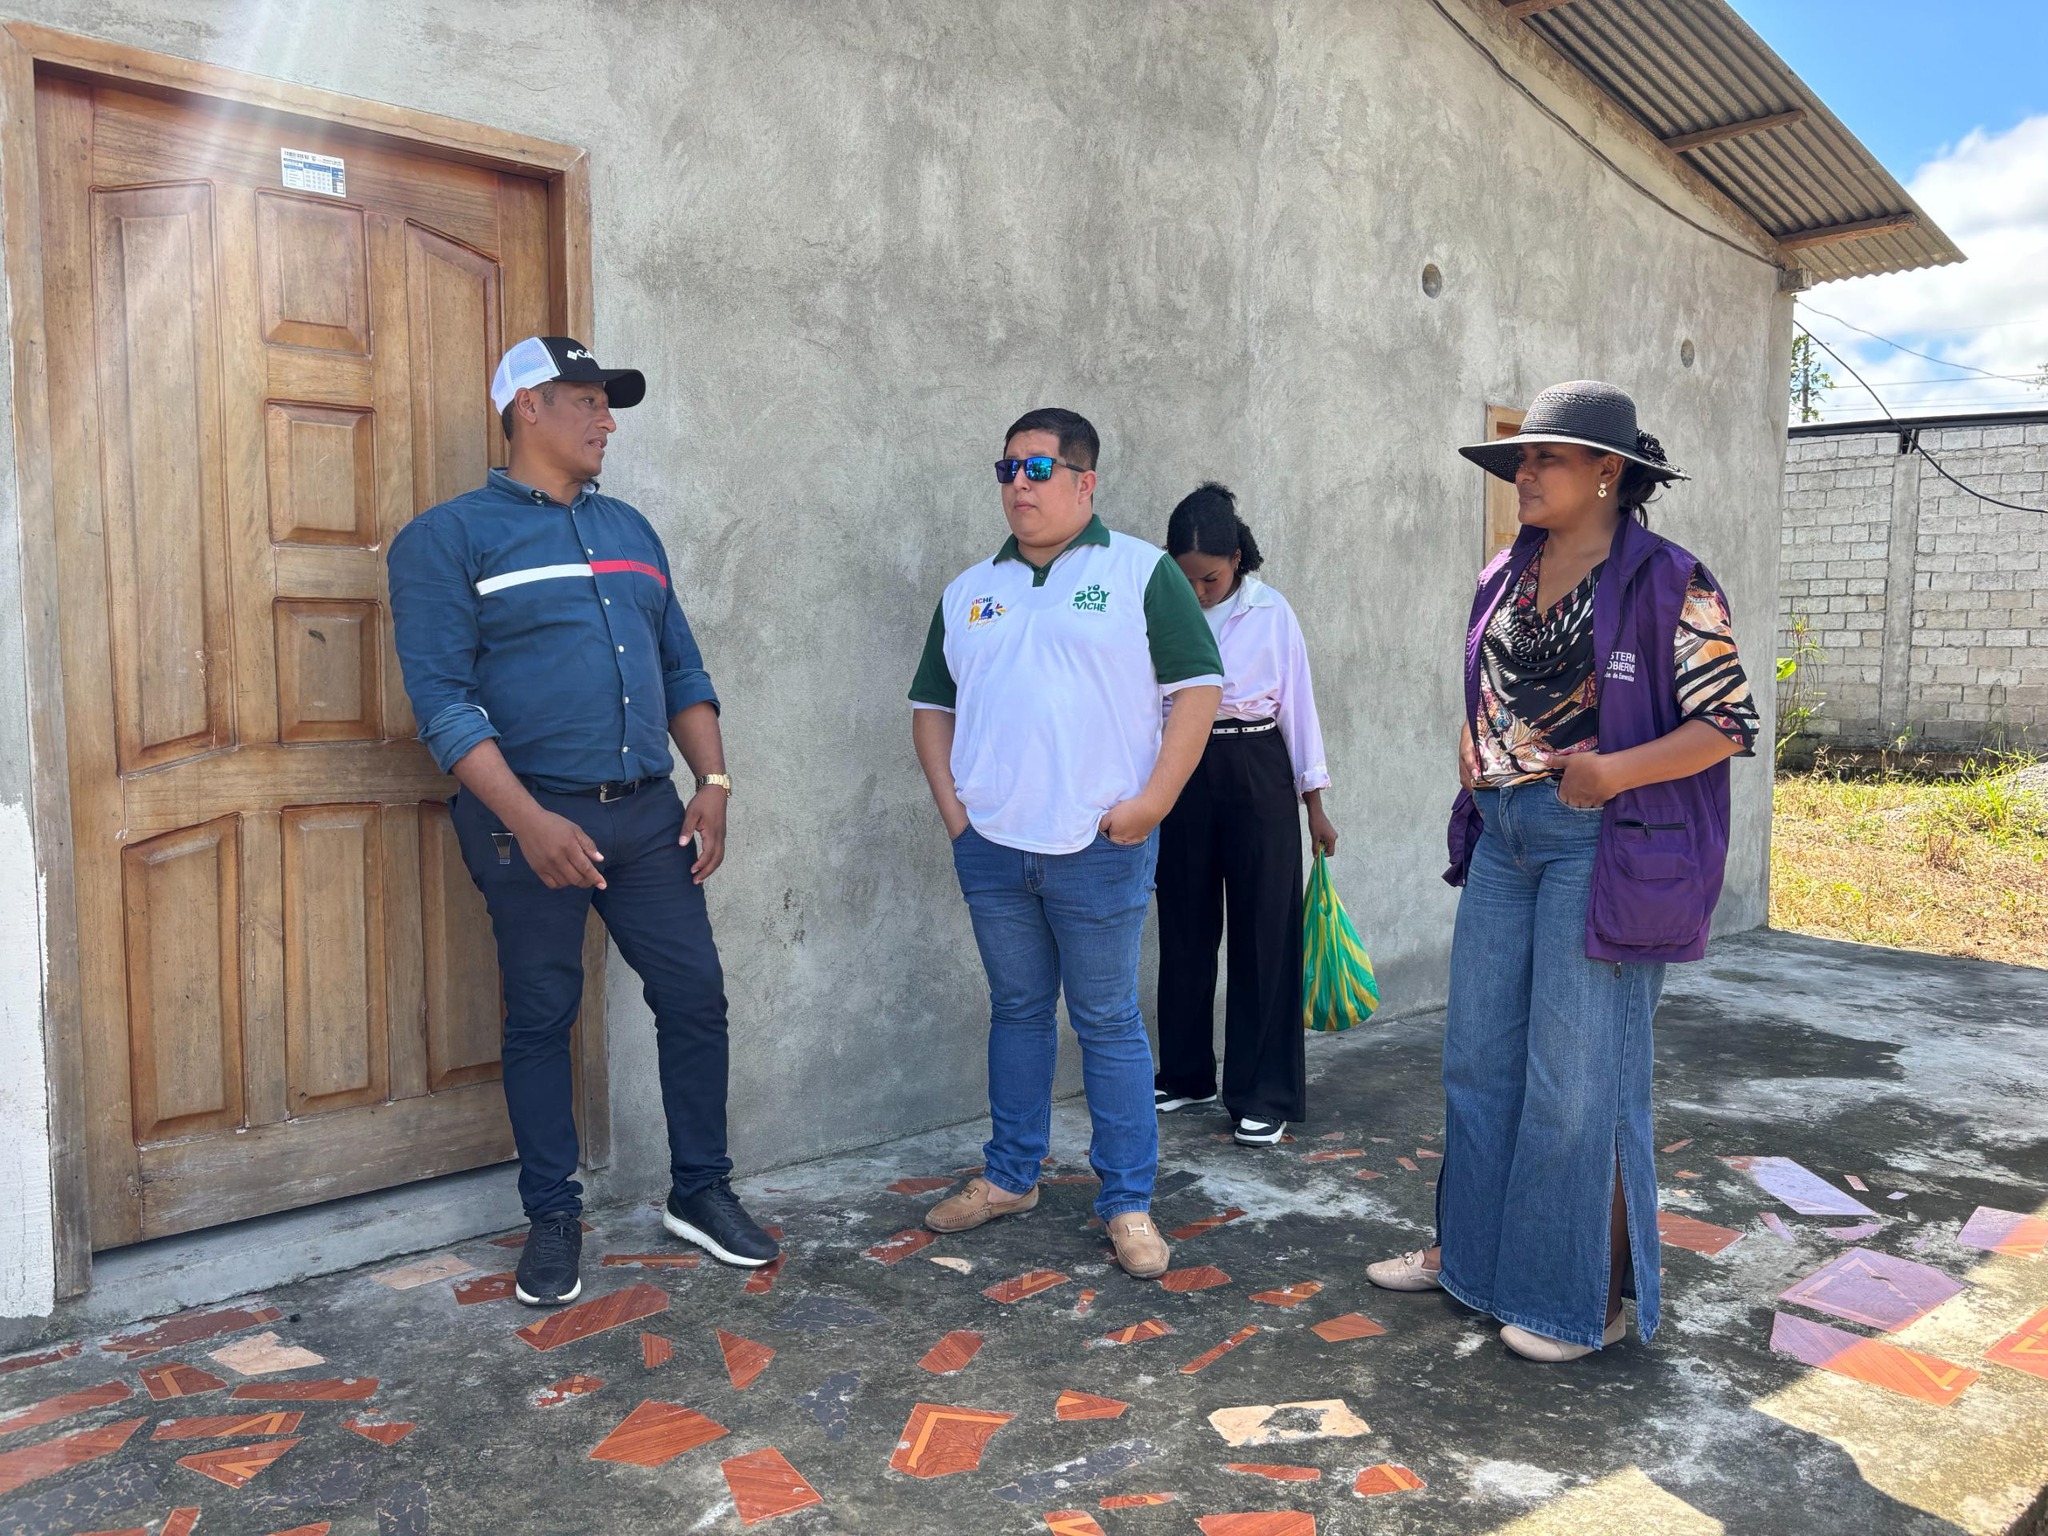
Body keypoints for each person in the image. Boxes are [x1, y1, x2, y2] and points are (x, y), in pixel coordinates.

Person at [1366, 381, 1757, 1362]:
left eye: (1544, 458)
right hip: (1503, 836)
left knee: (1578, 1081)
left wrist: (1609, 773)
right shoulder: (1503, 573)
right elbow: (1487, 691)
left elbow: (1724, 724)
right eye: (1519, 460)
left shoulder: (1669, 580)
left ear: (1607, 473)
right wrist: (1472, 750)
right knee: (1478, 1060)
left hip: (1603, 840)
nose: (1523, 474)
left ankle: (1579, 1303)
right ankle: (1471, 1259)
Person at [388, 335, 778, 1307]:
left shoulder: (631, 531)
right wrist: (527, 820)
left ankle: (700, 1191)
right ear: (528, 407)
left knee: (695, 995)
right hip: (525, 821)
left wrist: (714, 780)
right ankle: (553, 1216)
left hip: (646, 815)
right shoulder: (446, 540)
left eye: (609, 403)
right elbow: (443, 705)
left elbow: (681, 667)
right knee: (542, 1014)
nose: (607, 421)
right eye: (587, 401)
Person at [909, 408, 1224, 1279]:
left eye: (1038, 469)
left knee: (1107, 1020)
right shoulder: (970, 590)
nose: (1019, 483)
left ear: (1086, 482)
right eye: (1007, 469)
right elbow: (931, 705)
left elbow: (1199, 688)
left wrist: (1152, 803)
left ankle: (1126, 1202)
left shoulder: (1140, 572)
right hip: (992, 846)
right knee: (1016, 1010)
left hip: (1098, 846)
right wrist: (956, 813)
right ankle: (1011, 1176)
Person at [1152, 483, 1336, 1146]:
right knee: (1184, 924)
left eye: (1210, 578)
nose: (1198, 591)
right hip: (1182, 770)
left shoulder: (1271, 612)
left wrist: (1315, 806)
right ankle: (1186, 1074)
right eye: (1185, 579)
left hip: (1257, 767)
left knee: (1265, 932)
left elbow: (1298, 708)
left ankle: (1264, 1092)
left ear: (1236, 559)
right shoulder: (1160, 612)